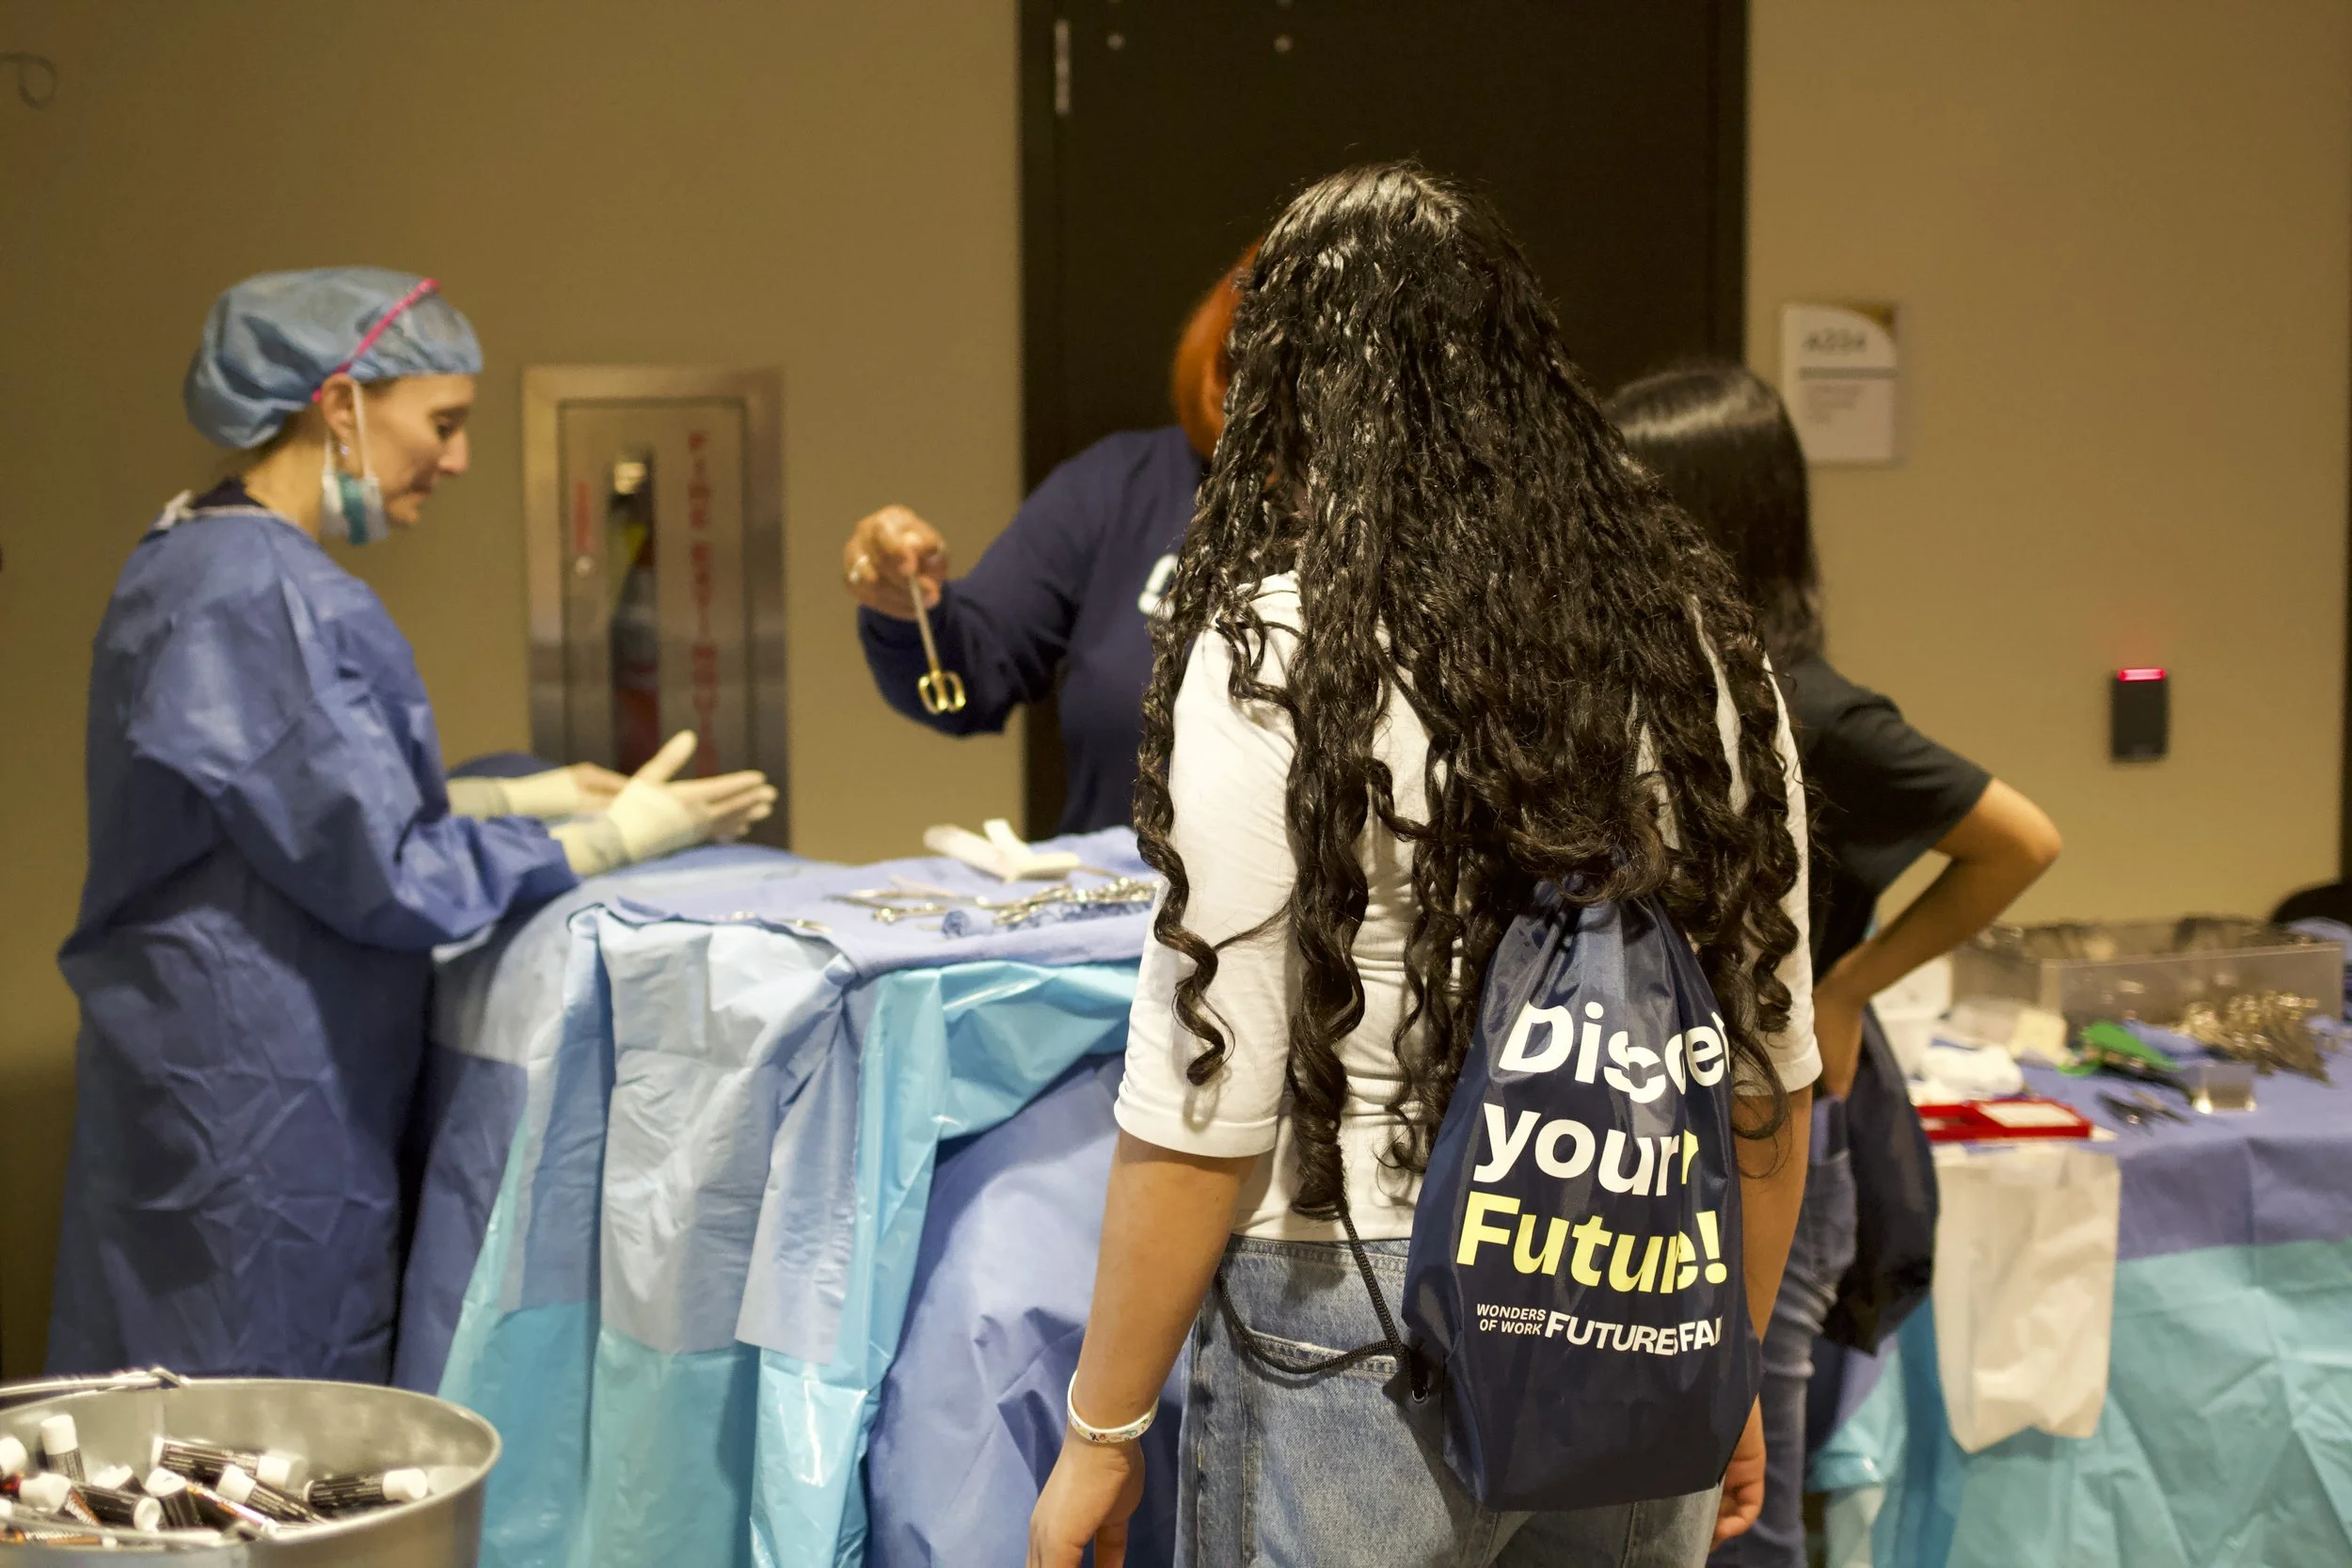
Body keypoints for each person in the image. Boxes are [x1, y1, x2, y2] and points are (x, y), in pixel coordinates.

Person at [1027, 166, 1820, 1568]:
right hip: (1635, 1275)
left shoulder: (1277, 653)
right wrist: (1727, 1358)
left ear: (1283, 400)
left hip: (1353, 1296)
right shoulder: (1696, 646)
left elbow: (1209, 1094)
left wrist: (1102, 1428)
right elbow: (1764, 1060)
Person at [48, 268, 776, 1383]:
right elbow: (384, 869)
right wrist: (612, 838)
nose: (460, 457)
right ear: (340, 402)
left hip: (201, 1084)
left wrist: (517, 795)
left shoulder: (190, 556)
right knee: (254, 1428)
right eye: (442, 422)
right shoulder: (257, 591)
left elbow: (271, 805)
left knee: (177, 1411)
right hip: (255, 1116)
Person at [1607, 362, 2061, 1568]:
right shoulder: (1646, 696)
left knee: (1743, 1503)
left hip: (1779, 1133)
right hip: (1658, 1128)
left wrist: (1849, 983)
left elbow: (2021, 840)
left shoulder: (1810, 712)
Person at [841, 248, 1251, 834]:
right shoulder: (1119, 486)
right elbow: (973, 672)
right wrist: (908, 606)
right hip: (1125, 885)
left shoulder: (1390, 525)